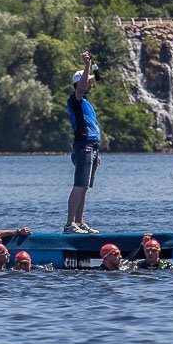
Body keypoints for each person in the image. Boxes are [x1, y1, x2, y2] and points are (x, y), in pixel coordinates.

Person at [65, 49, 102, 235]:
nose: (90, 85)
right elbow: (80, 87)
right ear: (79, 83)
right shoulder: (76, 99)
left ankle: (79, 223)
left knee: (85, 187)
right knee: (79, 185)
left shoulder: (86, 102)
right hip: (83, 147)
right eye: (88, 82)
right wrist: (88, 64)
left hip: (91, 148)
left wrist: (97, 152)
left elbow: (92, 127)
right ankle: (69, 224)